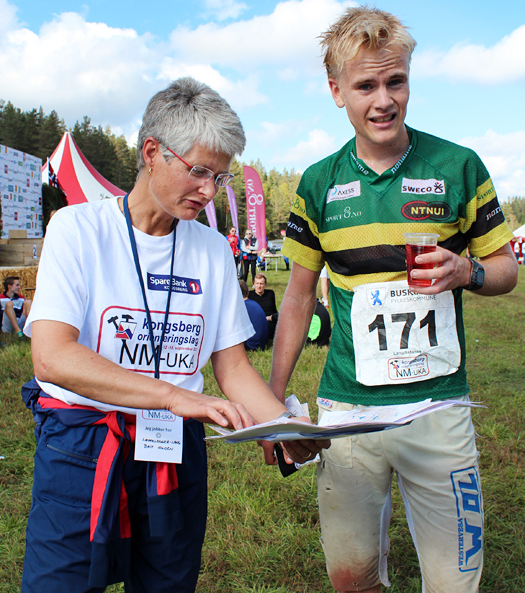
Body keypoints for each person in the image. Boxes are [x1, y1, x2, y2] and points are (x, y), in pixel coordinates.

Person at [21, 77, 328, 593]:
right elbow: (52, 359)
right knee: (62, 582)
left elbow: (232, 368)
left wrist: (286, 427)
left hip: (173, 447)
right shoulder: (77, 229)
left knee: (168, 581)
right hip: (83, 444)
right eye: (199, 171)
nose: (209, 190)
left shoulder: (209, 249)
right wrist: (173, 397)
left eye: (221, 178)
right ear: (152, 153)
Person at [270, 6, 518, 593]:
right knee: (352, 580)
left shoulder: (458, 166)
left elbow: (507, 269)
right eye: (365, 85)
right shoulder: (318, 183)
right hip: (348, 412)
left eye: (395, 81)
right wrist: (275, 405)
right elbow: (299, 299)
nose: (383, 100)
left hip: (438, 408)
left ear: (410, 79)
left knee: (455, 585)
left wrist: (469, 271)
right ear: (337, 92)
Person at [239, 279, 268, 351]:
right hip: (263, 343)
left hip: (252, 345)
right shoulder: (253, 303)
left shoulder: (241, 307)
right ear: (248, 293)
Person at [248, 273, 279, 340]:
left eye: (261, 284)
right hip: (258, 323)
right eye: (257, 283)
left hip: (271, 323)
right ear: (254, 284)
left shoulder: (270, 293)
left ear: (265, 284)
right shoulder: (249, 295)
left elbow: (274, 310)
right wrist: (267, 318)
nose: (259, 286)